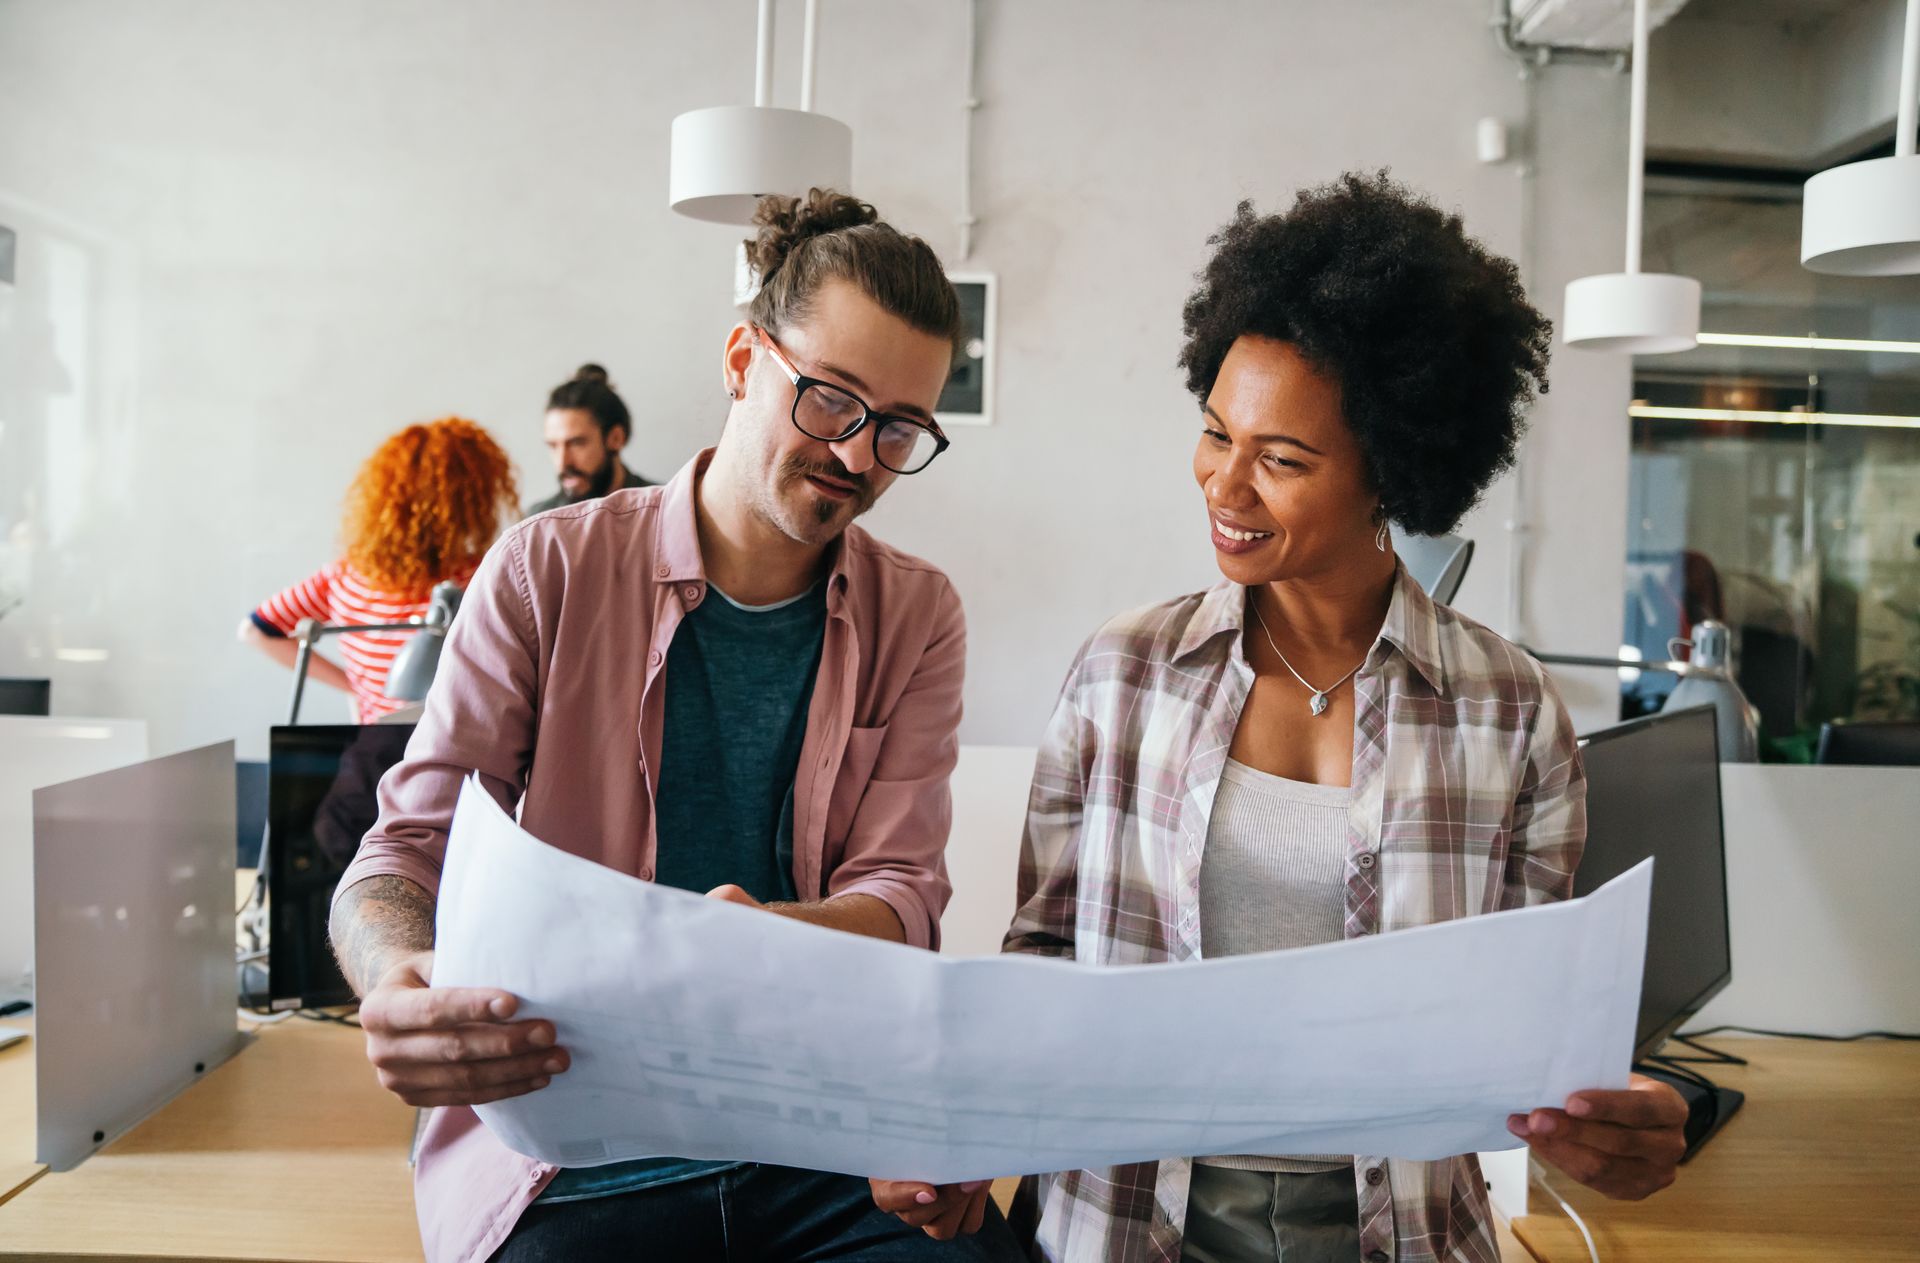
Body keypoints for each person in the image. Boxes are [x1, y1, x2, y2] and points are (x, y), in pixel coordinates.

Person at [872, 172, 1687, 1262]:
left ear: (1388, 472)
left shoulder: (1508, 711)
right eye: (1216, 434)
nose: (1225, 485)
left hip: (1394, 1231)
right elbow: (1045, 959)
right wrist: (959, 1126)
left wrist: (1609, 1117)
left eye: (1284, 459)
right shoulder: (1125, 673)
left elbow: (1527, 1033)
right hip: (1121, 1220)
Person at [328, 189, 1022, 1263]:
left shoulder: (917, 613)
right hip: (566, 1157)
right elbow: (403, 854)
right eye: (830, 401)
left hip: (826, 1142)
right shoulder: (544, 570)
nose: (856, 454)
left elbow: (901, 902)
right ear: (744, 359)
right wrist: (393, 980)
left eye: (897, 430)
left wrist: (745, 943)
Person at [243, 417, 518, 721]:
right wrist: (351, 687)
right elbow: (258, 630)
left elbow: (256, 630)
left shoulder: (348, 577)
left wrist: (355, 688)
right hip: (450, 746)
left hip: (379, 748)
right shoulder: (482, 575)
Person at [524, 364, 651, 515]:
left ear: (616, 438)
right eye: (553, 446)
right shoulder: (538, 522)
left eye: (576, 443)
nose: (562, 462)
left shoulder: (663, 508)